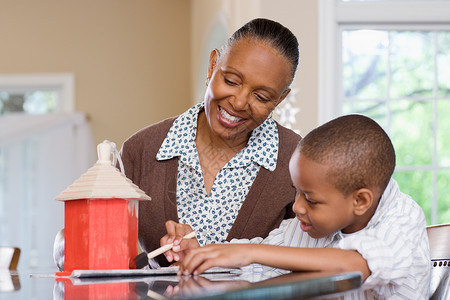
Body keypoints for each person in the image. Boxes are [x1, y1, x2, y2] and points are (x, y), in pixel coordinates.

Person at [175, 114, 431, 299]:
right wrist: (202, 253)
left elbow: (354, 266)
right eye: (296, 192)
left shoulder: (403, 217)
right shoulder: (306, 227)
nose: (297, 207)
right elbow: (256, 263)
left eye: (311, 199)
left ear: (360, 201)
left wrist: (249, 251)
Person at [118, 18, 301, 268]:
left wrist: (214, 266)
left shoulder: (297, 162)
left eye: (261, 96)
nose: (238, 102)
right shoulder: (140, 151)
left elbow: (308, 264)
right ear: (213, 64)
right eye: (231, 81)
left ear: (280, 99)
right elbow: (106, 253)